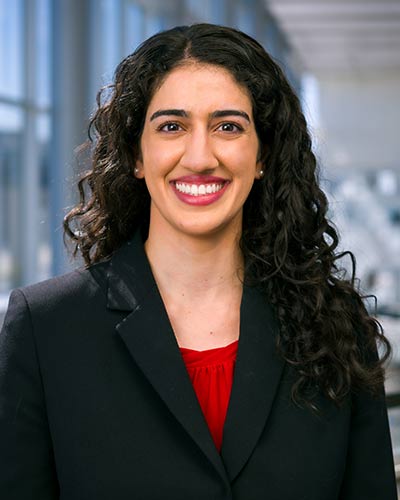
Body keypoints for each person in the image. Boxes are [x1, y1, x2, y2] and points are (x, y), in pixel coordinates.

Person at [0, 23, 397, 500]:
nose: (200, 156)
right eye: (172, 126)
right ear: (136, 155)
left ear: (263, 155)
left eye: (228, 126)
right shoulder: (46, 330)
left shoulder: (336, 326)